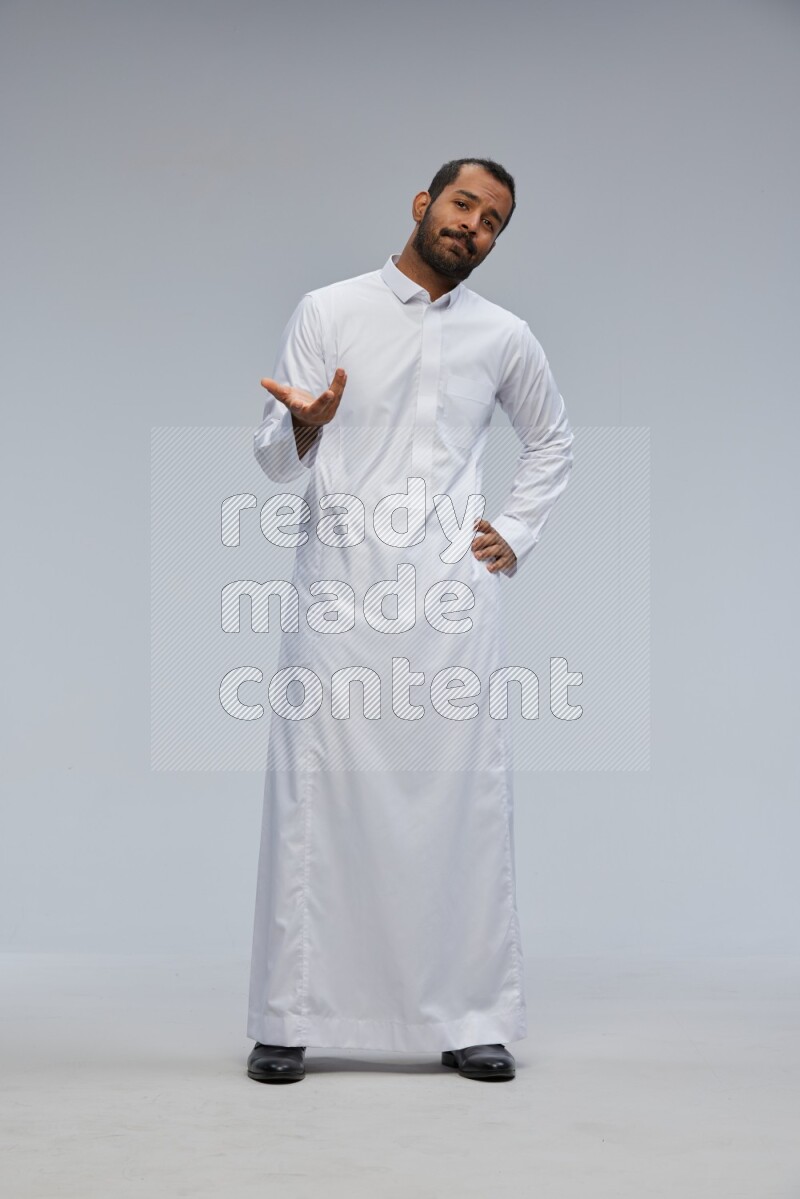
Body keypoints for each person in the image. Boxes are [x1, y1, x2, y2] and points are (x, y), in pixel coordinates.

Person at [247, 157, 574, 1083]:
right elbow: (275, 460)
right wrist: (307, 424)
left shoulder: (504, 335)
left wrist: (512, 529)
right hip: (340, 594)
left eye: (495, 221)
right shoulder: (330, 309)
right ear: (424, 204)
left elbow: (552, 437)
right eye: (464, 204)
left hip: (449, 603)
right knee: (315, 798)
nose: (475, 225)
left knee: (459, 801)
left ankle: (468, 1014)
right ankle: (288, 1012)